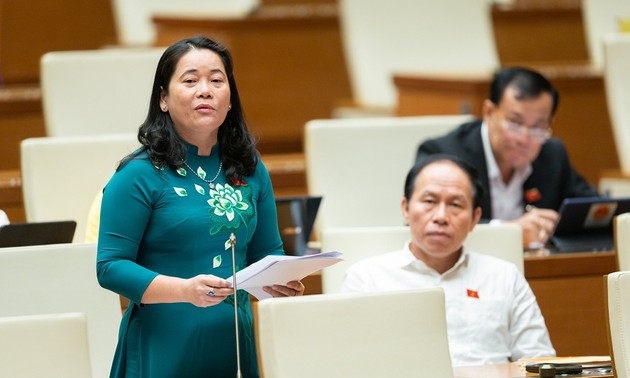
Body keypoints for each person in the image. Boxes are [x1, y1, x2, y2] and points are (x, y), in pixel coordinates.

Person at [96, 35, 304, 378]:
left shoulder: (249, 167)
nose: (205, 90)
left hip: (233, 345)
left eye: (217, 80)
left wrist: (281, 283)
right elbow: (110, 266)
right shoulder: (138, 174)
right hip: (164, 347)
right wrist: (183, 290)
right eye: (190, 80)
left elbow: (268, 254)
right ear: (163, 99)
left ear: (230, 99)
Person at [342, 154, 555, 367]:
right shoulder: (366, 279)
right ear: (405, 209)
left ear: (474, 218)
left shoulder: (505, 277)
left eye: (455, 204)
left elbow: (540, 362)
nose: (441, 216)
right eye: (429, 201)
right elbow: (346, 364)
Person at [416, 67, 598, 247]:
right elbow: (427, 221)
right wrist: (509, 232)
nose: (524, 139)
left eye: (537, 127)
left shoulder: (552, 154)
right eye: (515, 123)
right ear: (489, 112)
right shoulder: (444, 157)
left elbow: (593, 210)